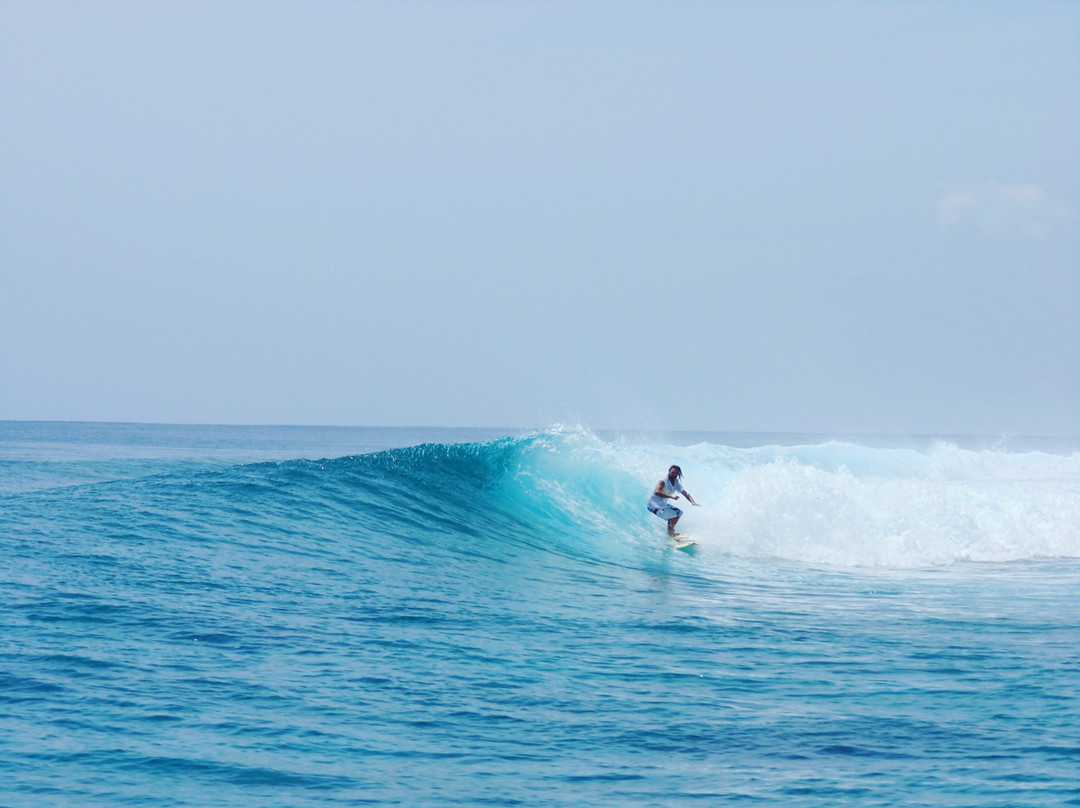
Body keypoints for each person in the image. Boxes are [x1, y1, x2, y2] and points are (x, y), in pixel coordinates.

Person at [647, 465, 700, 538]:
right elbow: (657, 492)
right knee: (672, 515)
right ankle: (670, 533)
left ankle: (670, 532)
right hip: (653, 505)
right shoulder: (663, 481)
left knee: (679, 512)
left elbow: (685, 493)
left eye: (676, 473)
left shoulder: (676, 483)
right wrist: (671, 497)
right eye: (672, 472)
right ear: (669, 472)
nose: (674, 474)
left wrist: (693, 502)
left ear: (678, 474)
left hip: (662, 504)